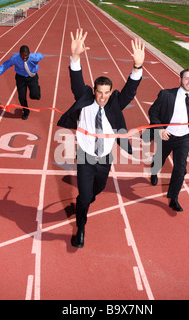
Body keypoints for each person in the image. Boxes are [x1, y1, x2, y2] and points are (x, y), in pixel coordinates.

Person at [57, 28, 145, 248]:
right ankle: (81, 229)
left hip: (105, 158)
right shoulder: (85, 99)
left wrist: (137, 67)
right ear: (94, 91)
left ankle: (84, 200)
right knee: (85, 197)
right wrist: (75, 57)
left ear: (110, 92)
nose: (103, 97)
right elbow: (76, 80)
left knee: (97, 189)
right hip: (86, 157)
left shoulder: (115, 103)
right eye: (99, 92)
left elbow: (130, 90)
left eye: (107, 92)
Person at [143, 68, 189, 212]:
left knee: (180, 169)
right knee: (159, 159)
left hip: (184, 138)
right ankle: (154, 171)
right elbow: (153, 112)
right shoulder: (166, 94)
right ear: (180, 79)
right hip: (167, 136)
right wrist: (160, 129)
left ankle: (173, 198)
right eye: (187, 78)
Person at [0, 45, 44, 120]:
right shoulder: (15, 58)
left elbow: (41, 56)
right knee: (21, 97)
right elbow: (6, 64)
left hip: (32, 77)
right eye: (22, 56)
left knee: (34, 96)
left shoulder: (34, 57)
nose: (24, 58)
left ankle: (36, 90)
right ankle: (26, 111)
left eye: (26, 55)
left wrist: (39, 58)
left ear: (29, 53)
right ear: (19, 54)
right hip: (20, 77)